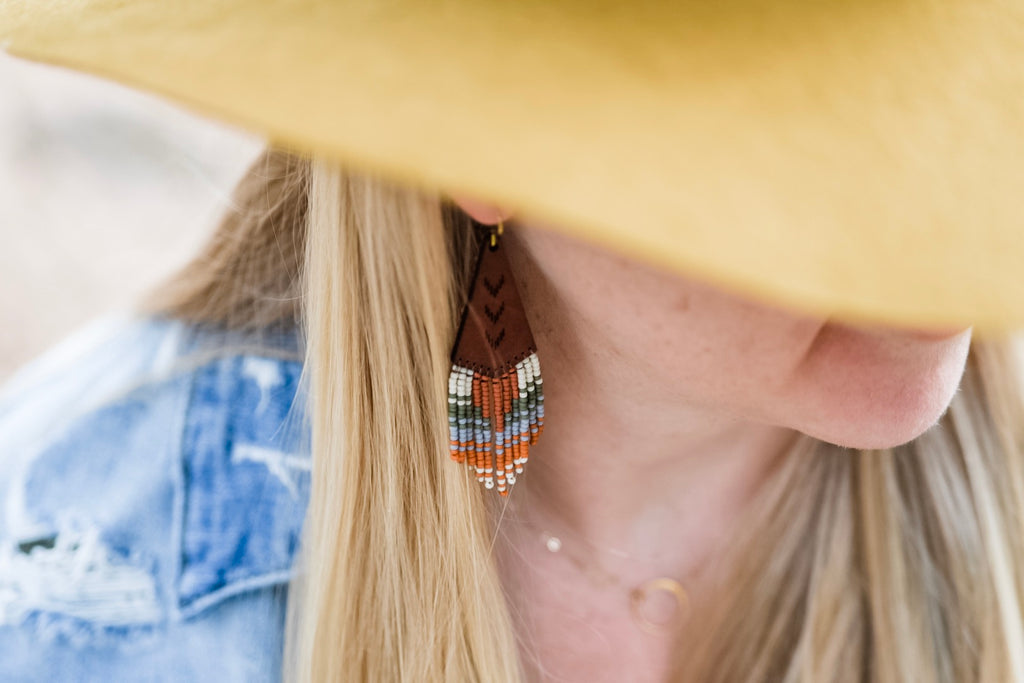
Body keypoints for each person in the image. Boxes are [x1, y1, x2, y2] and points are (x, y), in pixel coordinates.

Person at [2, 3, 1024, 682]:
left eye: (974, 85)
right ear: (480, 131)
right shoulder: (71, 606)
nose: (951, 208)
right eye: (830, 115)